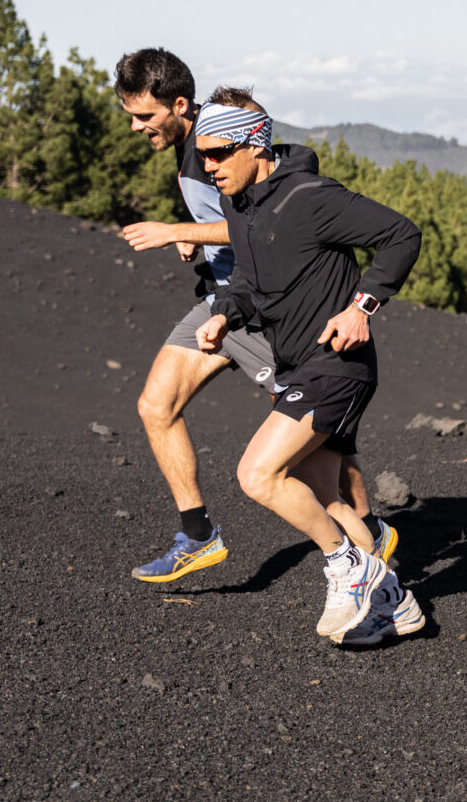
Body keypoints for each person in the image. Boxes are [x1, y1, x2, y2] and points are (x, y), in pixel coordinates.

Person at [116, 52, 394, 585]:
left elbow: (258, 225)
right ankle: (198, 536)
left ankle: (370, 542)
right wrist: (194, 242)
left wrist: (180, 231)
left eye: (145, 116)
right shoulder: (194, 148)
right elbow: (230, 225)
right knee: (157, 404)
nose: (137, 127)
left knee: (307, 448)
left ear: (179, 105)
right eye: (130, 115)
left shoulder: (216, 146)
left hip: (263, 312)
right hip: (223, 302)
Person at [191, 92, 425, 646]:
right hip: (296, 366)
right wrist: (225, 314)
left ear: (256, 144)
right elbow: (252, 280)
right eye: (202, 156)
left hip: (337, 366)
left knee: (258, 475)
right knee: (326, 495)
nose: (209, 166)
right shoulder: (241, 206)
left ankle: (348, 567)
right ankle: (395, 601)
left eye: (220, 152)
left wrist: (361, 306)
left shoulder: (309, 196)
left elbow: (402, 234)